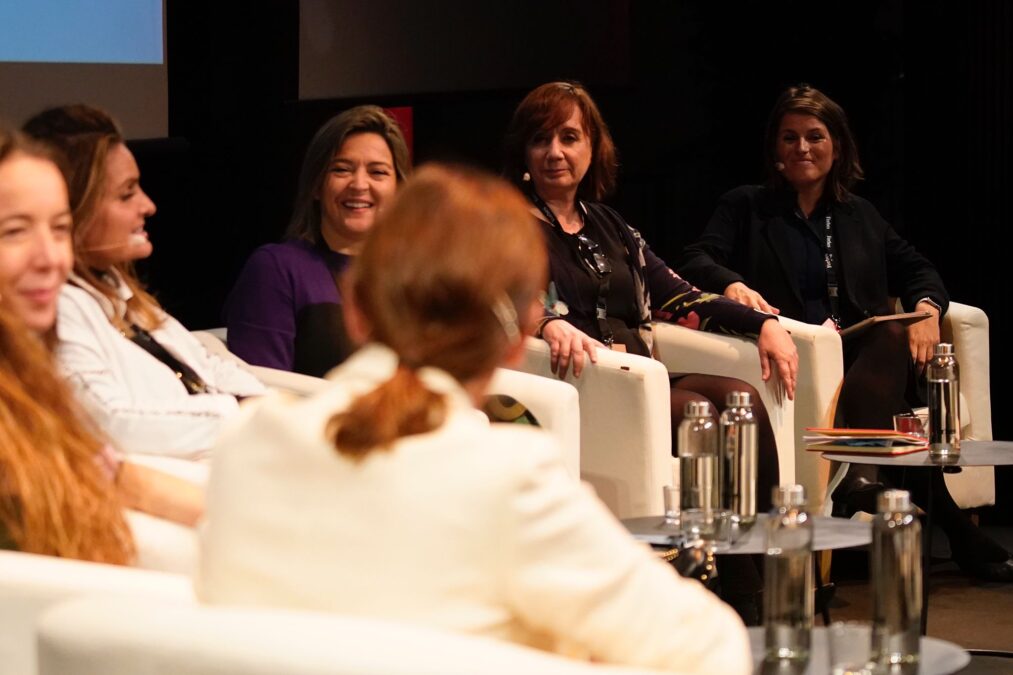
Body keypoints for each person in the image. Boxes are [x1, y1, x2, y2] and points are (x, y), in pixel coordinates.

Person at [198, 165, 751, 673]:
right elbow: (709, 649)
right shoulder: (509, 478)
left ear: (355, 311)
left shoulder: (248, 445)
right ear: (517, 342)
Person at [678, 83, 1012, 581]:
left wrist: (925, 310)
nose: (802, 149)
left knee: (889, 334)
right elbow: (695, 258)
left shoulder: (861, 215)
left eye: (815, 136)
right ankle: (941, 521)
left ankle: (860, 475)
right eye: (789, 138)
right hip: (794, 347)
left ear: (837, 146)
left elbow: (918, 270)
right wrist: (734, 283)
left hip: (861, 353)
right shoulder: (746, 206)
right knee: (886, 372)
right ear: (775, 149)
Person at [503, 82, 799, 621]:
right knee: (703, 414)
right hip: (588, 383)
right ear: (524, 152)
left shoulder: (609, 225)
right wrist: (547, 323)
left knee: (743, 404)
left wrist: (761, 324)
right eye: (540, 139)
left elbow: (677, 293)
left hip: (645, 371)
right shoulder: (505, 225)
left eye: (569, 137)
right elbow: (503, 298)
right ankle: (744, 596)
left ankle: (757, 567)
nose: (555, 152)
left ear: (593, 148)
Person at [0, 128, 201, 563]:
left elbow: (120, 479)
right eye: (15, 232)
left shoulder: (29, 377)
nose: (50, 258)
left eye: (59, 231)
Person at [23, 105, 265, 459]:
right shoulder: (58, 305)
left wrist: (267, 409)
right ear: (74, 211)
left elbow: (207, 364)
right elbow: (108, 421)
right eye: (126, 193)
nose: (148, 205)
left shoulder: (118, 289)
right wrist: (241, 415)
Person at [224, 106, 411, 376]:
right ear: (316, 185)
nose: (359, 184)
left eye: (378, 172)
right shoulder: (277, 269)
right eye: (342, 169)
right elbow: (260, 391)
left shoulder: (416, 274)